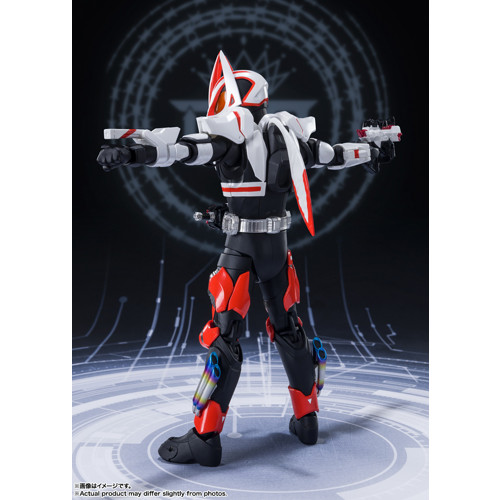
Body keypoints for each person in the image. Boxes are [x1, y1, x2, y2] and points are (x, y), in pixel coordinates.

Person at [97, 51, 400, 466]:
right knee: (289, 327)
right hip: (277, 250)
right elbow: (337, 155)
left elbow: (184, 150)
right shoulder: (289, 136)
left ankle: (205, 439)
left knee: (224, 337)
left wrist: (135, 155)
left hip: (240, 249)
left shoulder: (231, 138)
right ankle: (307, 420)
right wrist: (374, 151)